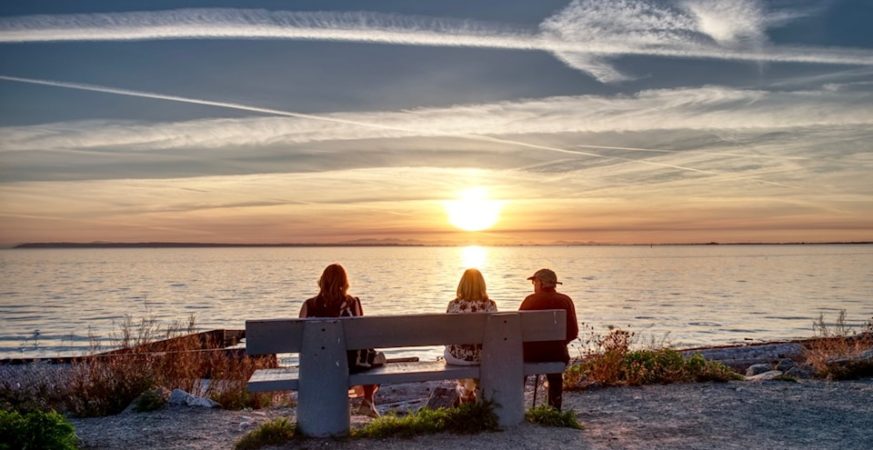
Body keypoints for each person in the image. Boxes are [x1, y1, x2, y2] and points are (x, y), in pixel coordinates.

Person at [298, 263, 379, 417]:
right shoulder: (352, 303)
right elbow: (361, 337)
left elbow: (300, 339)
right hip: (348, 364)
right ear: (345, 282)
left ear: (321, 281)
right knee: (374, 357)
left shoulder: (308, 305)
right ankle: (368, 400)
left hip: (315, 364)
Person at [519, 268, 578, 411]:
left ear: (539, 282)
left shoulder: (530, 301)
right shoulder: (565, 300)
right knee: (556, 372)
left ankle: (517, 406)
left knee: (519, 368)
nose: (533, 285)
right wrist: (559, 343)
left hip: (530, 355)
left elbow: (518, 330)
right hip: (557, 354)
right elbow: (573, 332)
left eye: (534, 282)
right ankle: (554, 409)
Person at [444, 268, 498, 404]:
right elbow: (495, 335)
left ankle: (466, 392)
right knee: (478, 355)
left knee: (452, 351)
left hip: (458, 358)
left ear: (462, 284)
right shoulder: (490, 305)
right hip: (484, 357)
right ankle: (472, 392)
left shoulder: (454, 305)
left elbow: (447, 335)